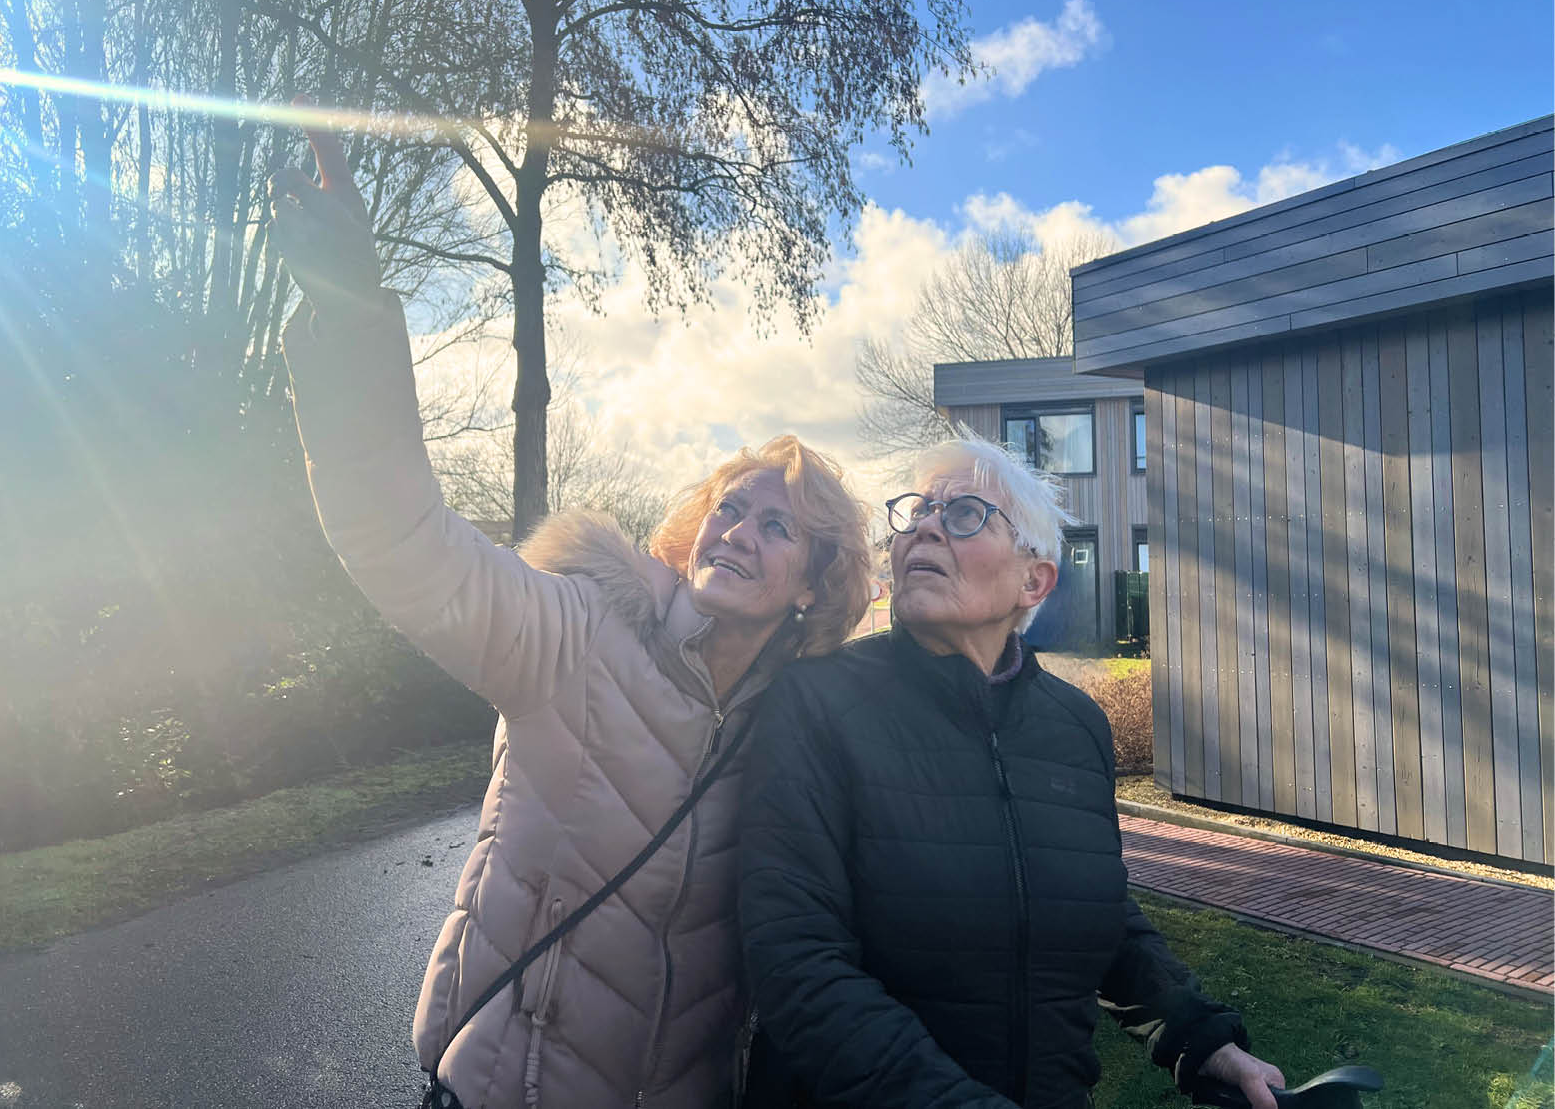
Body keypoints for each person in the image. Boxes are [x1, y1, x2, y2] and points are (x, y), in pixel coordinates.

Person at [268, 121, 871, 1109]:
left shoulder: (798, 727)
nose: (741, 534)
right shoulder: (578, 634)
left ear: (812, 582)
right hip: (507, 1083)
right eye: (731, 508)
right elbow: (411, 547)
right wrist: (350, 329)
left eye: (780, 528)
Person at [738, 434, 1286, 1109]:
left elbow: (1095, 908)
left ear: (1035, 579)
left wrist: (1203, 1039)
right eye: (917, 513)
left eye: (964, 512)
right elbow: (796, 961)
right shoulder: (817, 702)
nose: (926, 528)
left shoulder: (1076, 724)